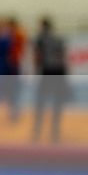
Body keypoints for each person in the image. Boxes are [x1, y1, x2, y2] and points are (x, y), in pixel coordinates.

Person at [32, 17, 70, 145]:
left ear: (43, 26)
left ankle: (37, 131)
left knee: (41, 103)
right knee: (56, 104)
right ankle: (55, 132)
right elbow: (63, 58)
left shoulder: (40, 39)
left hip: (47, 73)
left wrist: (37, 72)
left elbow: (38, 56)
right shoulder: (58, 39)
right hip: (58, 73)